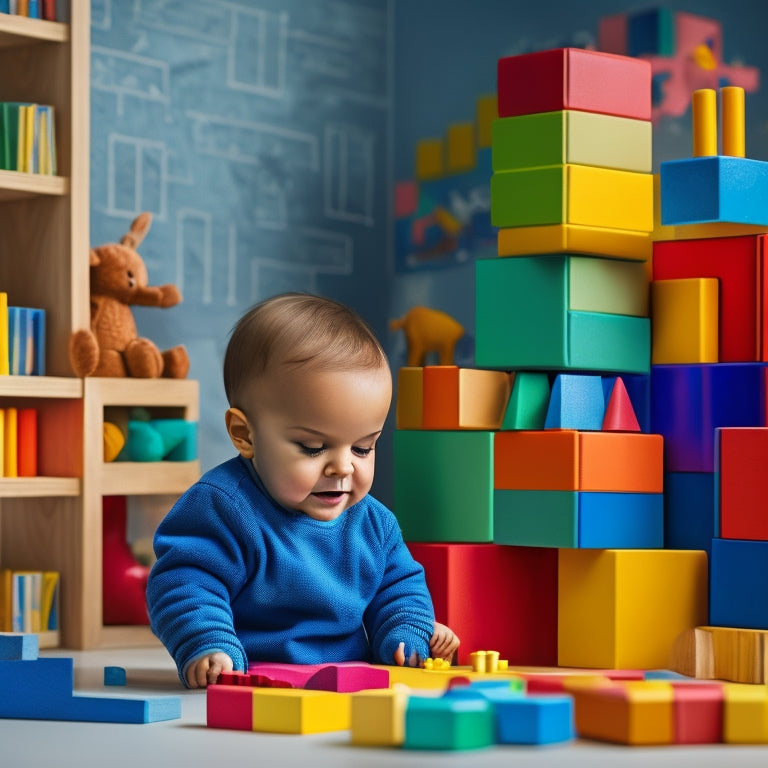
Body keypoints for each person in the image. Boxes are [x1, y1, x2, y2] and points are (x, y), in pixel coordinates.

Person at [146, 292, 460, 688]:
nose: (343, 467)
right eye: (313, 447)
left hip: (344, 686)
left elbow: (399, 588)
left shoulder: (375, 525)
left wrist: (408, 635)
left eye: (363, 447)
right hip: (250, 683)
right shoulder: (221, 507)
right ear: (245, 435)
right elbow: (185, 581)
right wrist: (208, 644)